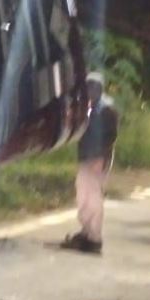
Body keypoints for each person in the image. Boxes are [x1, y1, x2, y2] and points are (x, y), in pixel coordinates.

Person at [62, 72, 120, 254]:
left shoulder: (106, 108)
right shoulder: (89, 107)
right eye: (88, 86)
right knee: (83, 196)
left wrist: (101, 159)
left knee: (92, 198)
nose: (90, 90)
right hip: (87, 157)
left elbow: (111, 136)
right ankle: (86, 233)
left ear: (100, 88)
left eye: (94, 86)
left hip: (97, 159)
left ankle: (94, 238)